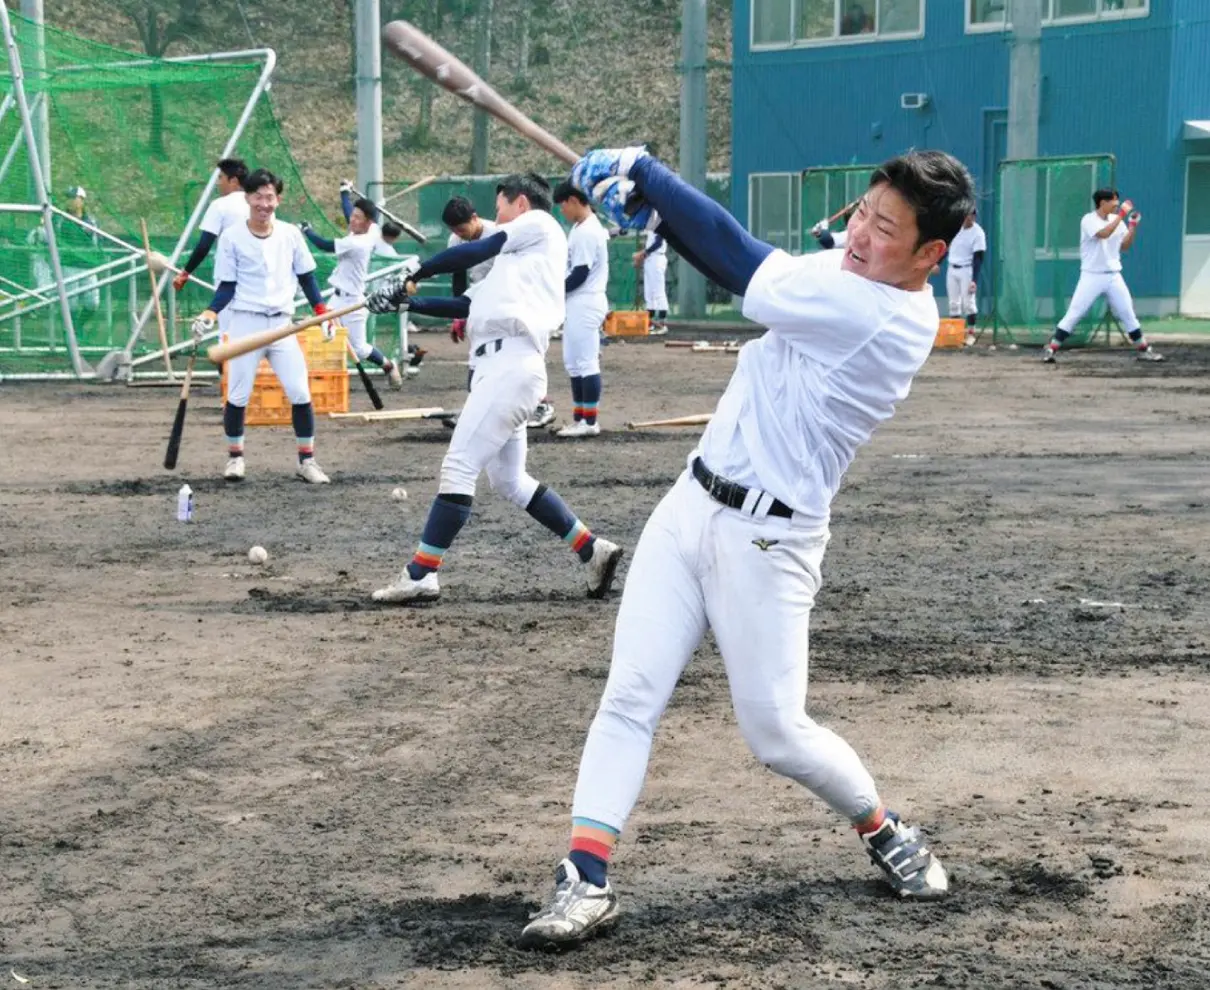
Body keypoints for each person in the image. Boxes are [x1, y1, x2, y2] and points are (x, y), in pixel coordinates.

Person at [518, 146, 974, 949]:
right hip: (689, 504)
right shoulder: (852, 273)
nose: (862, 233)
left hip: (771, 541)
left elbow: (742, 263)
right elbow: (737, 257)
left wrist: (651, 177)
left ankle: (881, 824)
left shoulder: (885, 316)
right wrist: (658, 218)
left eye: (887, 228)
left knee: (775, 732)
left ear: (930, 255)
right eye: (862, 212)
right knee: (629, 695)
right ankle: (584, 876)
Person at [363, 173, 623, 604]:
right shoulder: (518, 261)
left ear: (519, 203)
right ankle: (592, 549)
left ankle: (422, 573)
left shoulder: (537, 225)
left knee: (459, 466)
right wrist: (408, 301)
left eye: (499, 206)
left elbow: (478, 247)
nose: (494, 217)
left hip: (509, 364)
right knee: (509, 479)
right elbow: (468, 304)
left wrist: (416, 272)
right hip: (504, 367)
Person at [190, 168, 334, 484]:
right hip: (246, 324)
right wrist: (208, 315)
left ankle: (307, 461)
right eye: (258, 197)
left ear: (278, 200)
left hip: (282, 325)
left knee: (300, 391)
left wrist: (322, 312)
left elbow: (308, 278)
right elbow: (226, 287)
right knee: (238, 395)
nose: (264, 203)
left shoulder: (290, 234)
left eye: (270, 197)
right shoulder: (231, 237)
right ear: (247, 198)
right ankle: (235, 459)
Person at [300, 183, 404, 388]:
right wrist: (344, 193)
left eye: (358, 218)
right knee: (322, 332)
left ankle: (389, 366)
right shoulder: (371, 230)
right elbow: (349, 212)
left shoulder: (357, 243)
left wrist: (307, 231)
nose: (352, 220)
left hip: (353, 302)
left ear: (368, 223)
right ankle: (322, 381)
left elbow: (324, 245)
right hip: (336, 298)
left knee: (361, 349)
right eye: (354, 216)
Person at [1042, 189, 1161, 363]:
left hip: (1113, 275)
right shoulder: (1088, 220)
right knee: (1075, 313)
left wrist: (1133, 226)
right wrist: (1121, 215)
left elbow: (1124, 245)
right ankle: (1051, 349)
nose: (1117, 205)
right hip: (1092, 275)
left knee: (1127, 312)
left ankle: (1144, 350)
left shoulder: (1116, 219)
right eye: (1113, 201)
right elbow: (1103, 234)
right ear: (1102, 202)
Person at [553, 181, 610, 437]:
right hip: (577, 301)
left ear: (574, 201)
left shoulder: (587, 231)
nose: (562, 212)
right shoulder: (580, 228)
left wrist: (553, 291)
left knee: (586, 362)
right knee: (573, 363)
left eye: (563, 206)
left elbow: (580, 274)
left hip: (586, 300)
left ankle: (589, 422)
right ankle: (580, 418)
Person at [946, 209, 986, 347]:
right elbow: (947, 247)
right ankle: (956, 335)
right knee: (953, 303)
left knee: (968, 303)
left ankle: (970, 334)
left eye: (969, 215)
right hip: (952, 268)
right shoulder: (956, 228)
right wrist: (937, 262)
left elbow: (978, 258)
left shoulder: (978, 233)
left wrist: (974, 279)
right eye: (964, 215)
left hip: (967, 269)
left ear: (974, 216)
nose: (966, 218)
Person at [633, 229, 668, 334]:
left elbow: (658, 243)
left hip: (657, 257)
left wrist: (643, 253)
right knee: (649, 293)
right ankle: (651, 323)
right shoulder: (651, 224)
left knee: (658, 291)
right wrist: (643, 257)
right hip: (650, 258)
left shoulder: (660, 222)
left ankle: (662, 324)